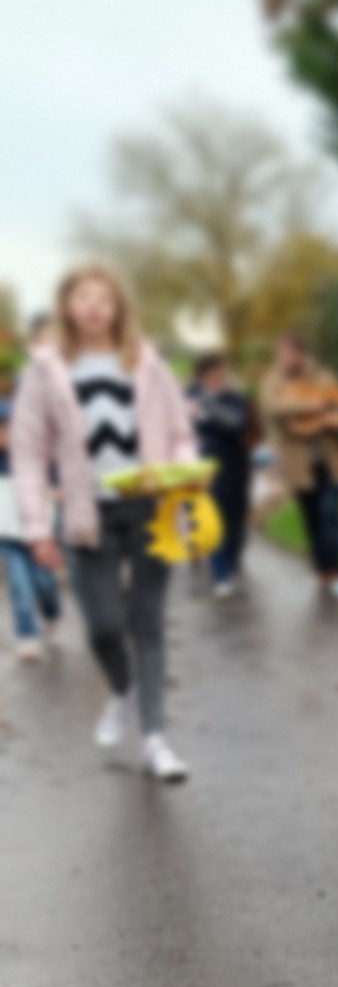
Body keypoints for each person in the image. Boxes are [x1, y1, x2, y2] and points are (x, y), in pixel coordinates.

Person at [9, 264, 194, 780]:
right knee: (104, 627)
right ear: (67, 305)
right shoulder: (45, 370)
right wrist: (37, 527)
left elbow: (180, 433)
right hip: (86, 514)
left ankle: (156, 740)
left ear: (119, 307)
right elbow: (27, 454)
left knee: (149, 623)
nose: (94, 305)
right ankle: (122, 690)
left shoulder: (148, 362)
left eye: (104, 298)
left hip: (152, 509)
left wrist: (182, 472)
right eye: (83, 296)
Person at [258, 333, 338, 585]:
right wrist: (311, 405)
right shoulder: (273, 379)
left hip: (330, 458)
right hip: (299, 464)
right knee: (311, 516)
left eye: (290, 353)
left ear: (301, 353)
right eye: (282, 353)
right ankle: (322, 569)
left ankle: (337, 568)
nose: (286, 358)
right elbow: (271, 406)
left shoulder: (322, 376)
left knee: (329, 512)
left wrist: (327, 415)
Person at [0, 391, 62, 662]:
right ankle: (27, 636)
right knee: (19, 585)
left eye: (8, 427)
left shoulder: (39, 458)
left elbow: (59, 481)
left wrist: (58, 492)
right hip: (8, 534)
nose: (5, 435)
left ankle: (51, 614)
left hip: (41, 534)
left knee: (45, 583)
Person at [187, 353, 254, 598]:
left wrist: (208, 405)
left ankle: (232, 558)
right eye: (211, 375)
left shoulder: (234, 398)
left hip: (234, 467)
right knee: (213, 520)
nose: (217, 378)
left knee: (235, 522)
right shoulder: (188, 397)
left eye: (220, 374)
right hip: (204, 471)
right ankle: (221, 574)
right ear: (202, 376)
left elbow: (236, 424)